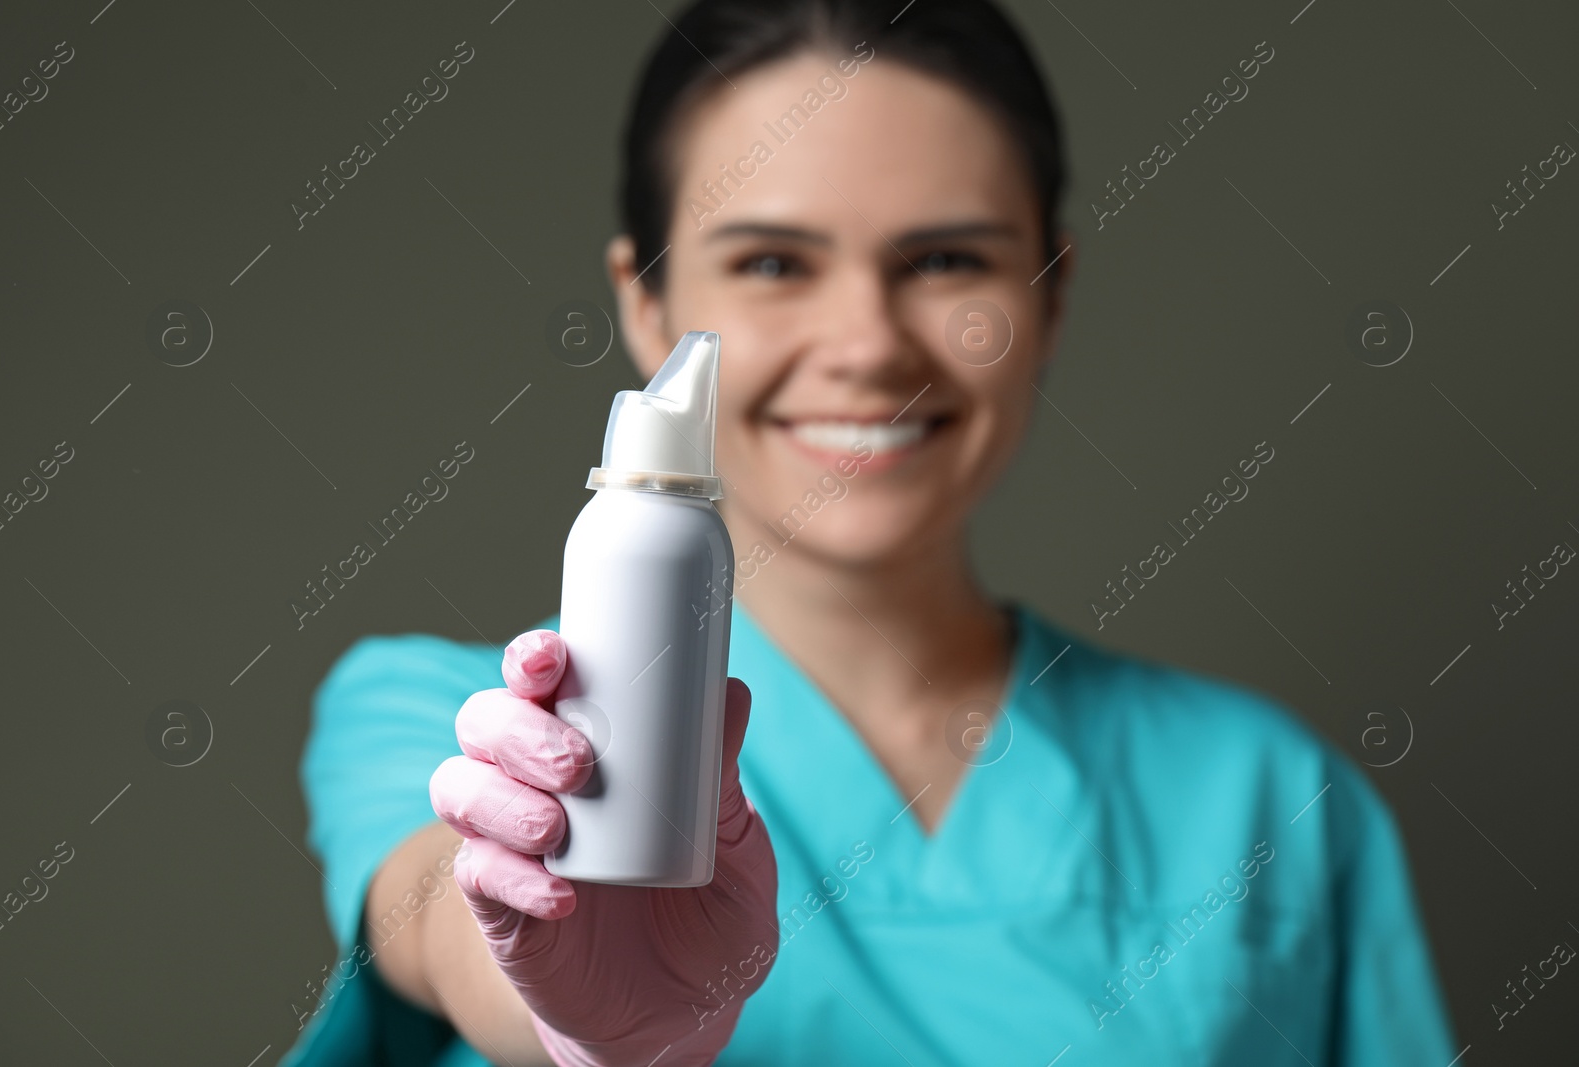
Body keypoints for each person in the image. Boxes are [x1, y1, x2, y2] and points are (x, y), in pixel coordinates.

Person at [279, 1, 1457, 1064]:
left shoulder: (1268, 800)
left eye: (946, 260)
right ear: (646, 306)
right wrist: (574, 1001)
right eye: (772, 262)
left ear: (1047, 299)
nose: (869, 345)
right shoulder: (447, 720)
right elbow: (441, 919)